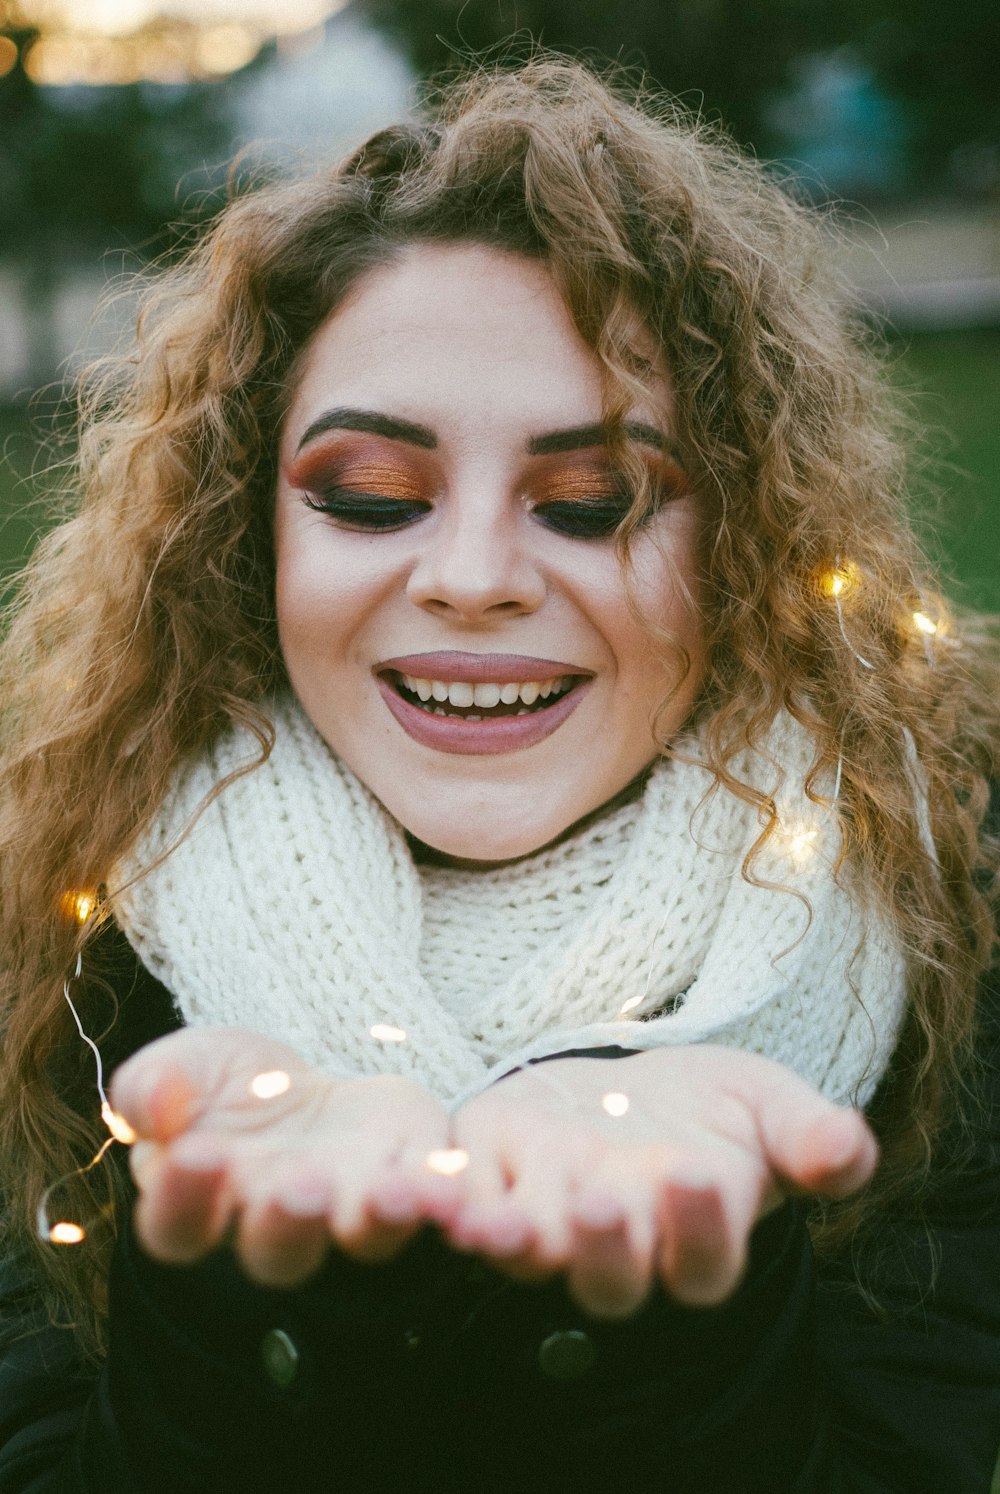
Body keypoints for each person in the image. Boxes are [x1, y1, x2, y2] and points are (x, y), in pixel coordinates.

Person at [0, 54, 997, 1494]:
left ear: (746, 544)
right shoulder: (56, 925)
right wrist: (260, 1317)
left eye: (592, 501)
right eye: (372, 497)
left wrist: (647, 1320)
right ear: (247, 544)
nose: (470, 579)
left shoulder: (943, 902)